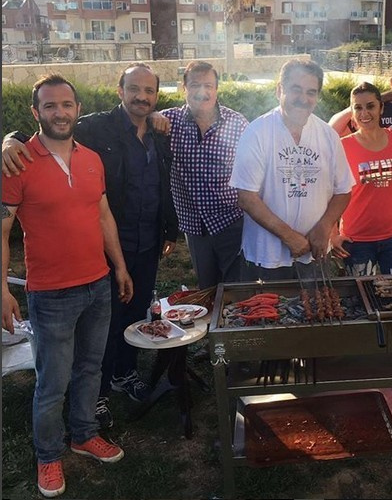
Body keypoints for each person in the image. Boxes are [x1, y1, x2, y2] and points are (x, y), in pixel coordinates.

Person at [2, 63, 179, 429]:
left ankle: (124, 373)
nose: (141, 97)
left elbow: (163, 182)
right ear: (119, 90)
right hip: (106, 244)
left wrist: (169, 230)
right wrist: (10, 139)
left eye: (149, 91)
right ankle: (96, 395)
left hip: (147, 243)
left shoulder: (160, 133)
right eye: (134, 89)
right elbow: (51, 130)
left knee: (134, 313)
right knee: (106, 322)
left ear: (156, 96)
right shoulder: (97, 127)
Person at [2, 73, 131, 498]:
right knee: (52, 381)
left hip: (97, 284)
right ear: (35, 112)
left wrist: (120, 267)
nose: (60, 112)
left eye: (67, 104)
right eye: (50, 106)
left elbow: (104, 215)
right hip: (51, 293)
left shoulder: (93, 158)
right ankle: (48, 455)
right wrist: (2, 289)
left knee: (90, 369)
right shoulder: (17, 162)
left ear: (77, 109)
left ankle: (83, 433)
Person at [229, 58, 354, 281]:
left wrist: (324, 227)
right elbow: (246, 197)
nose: (303, 99)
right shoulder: (257, 132)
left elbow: (343, 190)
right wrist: (289, 236)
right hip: (265, 258)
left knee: (317, 314)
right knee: (267, 314)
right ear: (280, 90)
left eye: (311, 92)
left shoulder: (328, 135)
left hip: (315, 256)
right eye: (296, 90)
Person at [153, 60, 248, 288]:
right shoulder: (168, 122)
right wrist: (151, 115)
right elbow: (137, 119)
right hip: (195, 227)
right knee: (207, 288)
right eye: (195, 85)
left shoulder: (238, 124)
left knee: (238, 289)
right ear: (184, 88)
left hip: (231, 222)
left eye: (208, 85)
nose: (202, 92)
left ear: (216, 89)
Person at [330, 82, 392, 276]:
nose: (364, 113)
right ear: (351, 112)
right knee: (361, 299)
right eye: (358, 108)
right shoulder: (341, 147)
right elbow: (329, 192)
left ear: (381, 108)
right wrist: (333, 235)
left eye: (370, 106)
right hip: (356, 239)